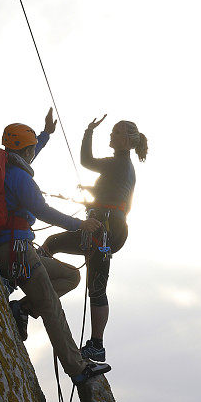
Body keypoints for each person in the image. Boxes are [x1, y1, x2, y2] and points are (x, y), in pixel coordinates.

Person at [0, 109, 110, 385]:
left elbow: (30, 152)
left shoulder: (7, 164)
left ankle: (21, 309)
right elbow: (41, 209)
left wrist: (46, 134)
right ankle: (77, 369)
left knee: (71, 275)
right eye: (33, 148)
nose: (34, 153)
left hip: (8, 246)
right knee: (51, 306)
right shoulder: (20, 178)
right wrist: (80, 225)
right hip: (17, 250)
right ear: (26, 150)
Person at [40, 115, 148, 363]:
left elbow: (86, 161)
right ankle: (96, 344)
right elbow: (112, 192)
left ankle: (29, 283)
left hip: (105, 227)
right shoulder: (122, 166)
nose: (110, 135)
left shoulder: (119, 163)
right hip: (110, 226)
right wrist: (91, 193)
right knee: (96, 285)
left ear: (125, 141)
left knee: (54, 244)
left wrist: (88, 132)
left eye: (114, 133)